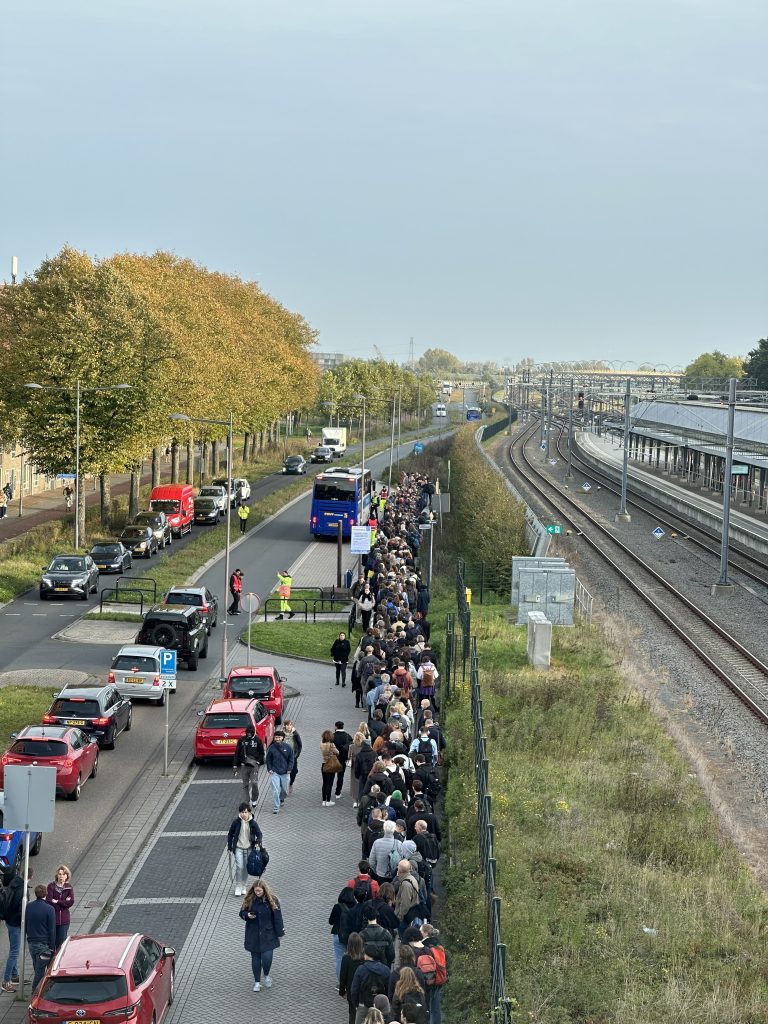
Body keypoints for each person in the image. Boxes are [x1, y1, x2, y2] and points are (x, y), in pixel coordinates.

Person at [240, 879, 284, 992]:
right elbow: (242, 912)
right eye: (256, 891)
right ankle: (257, 982)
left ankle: (266, 974)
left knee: (267, 958)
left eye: (259, 891)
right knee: (255, 958)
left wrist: (279, 933)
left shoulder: (272, 900)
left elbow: (277, 917)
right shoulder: (249, 900)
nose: (257, 893)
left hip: (268, 934)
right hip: (253, 934)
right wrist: (247, 915)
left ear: (264, 890)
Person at [227, 803, 263, 897]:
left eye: (245, 812)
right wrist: (230, 847)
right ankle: (238, 886)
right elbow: (230, 834)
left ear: (249, 812)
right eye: (242, 812)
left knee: (246, 868)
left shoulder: (253, 823)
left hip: (249, 849)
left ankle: (244, 885)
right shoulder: (236, 822)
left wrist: (258, 841)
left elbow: (259, 834)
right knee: (239, 867)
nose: (243, 814)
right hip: (238, 848)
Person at [350, 942, 392, 1023]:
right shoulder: (385, 970)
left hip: (364, 1004)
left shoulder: (361, 969)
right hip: (380, 1006)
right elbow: (389, 989)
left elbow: (354, 990)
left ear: (366, 954)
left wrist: (356, 1004)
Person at [1, 868, 29, 992]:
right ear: (30, 877)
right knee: (14, 952)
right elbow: (21, 910)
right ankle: (6, 981)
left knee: (14, 949)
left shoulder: (14, 882)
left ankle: (14, 975)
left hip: (9, 920)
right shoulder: (22, 890)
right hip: (16, 923)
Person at [25, 885, 55, 992]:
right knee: (39, 973)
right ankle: (35, 993)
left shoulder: (28, 907)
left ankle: (42, 990)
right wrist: (52, 947)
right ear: (46, 894)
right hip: (44, 946)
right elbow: (51, 930)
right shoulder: (50, 909)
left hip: (32, 944)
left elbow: (26, 923)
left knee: (37, 968)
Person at [328, 886, 357, 979]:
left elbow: (330, 921)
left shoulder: (337, 907)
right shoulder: (355, 907)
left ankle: (341, 983)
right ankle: (351, 980)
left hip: (338, 935)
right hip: (352, 936)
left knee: (339, 959)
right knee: (353, 958)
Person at [233, 726, 265, 806]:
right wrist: (235, 766)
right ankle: (246, 802)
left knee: (254, 783)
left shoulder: (257, 740)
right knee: (245, 784)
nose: (249, 734)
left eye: (251, 732)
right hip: (244, 766)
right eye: (248, 732)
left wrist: (258, 762)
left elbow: (262, 753)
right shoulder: (242, 740)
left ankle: (254, 799)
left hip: (254, 766)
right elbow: (236, 753)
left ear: (253, 732)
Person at [45, 865, 75, 949]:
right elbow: (49, 901)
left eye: (63, 874)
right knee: (51, 943)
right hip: (53, 920)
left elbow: (71, 902)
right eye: (60, 874)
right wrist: (63, 904)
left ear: (67, 876)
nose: (61, 876)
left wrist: (57, 901)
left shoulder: (69, 888)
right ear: (57, 875)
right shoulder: (51, 886)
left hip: (64, 921)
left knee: (61, 944)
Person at [265, 729, 294, 814]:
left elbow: (291, 759)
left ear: (283, 738)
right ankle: (276, 807)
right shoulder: (271, 748)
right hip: (275, 772)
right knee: (275, 790)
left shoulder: (288, 747)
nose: (277, 739)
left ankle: (282, 798)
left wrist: (289, 769)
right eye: (276, 737)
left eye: (279, 737)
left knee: (284, 790)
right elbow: (268, 759)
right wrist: (269, 769)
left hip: (285, 772)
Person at [339, 931, 365, 1024]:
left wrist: (342, 991)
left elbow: (342, 977)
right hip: (363, 990)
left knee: (352, 1014)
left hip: (351, 991)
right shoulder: (364, 957)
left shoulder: (346, 958)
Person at [332, 721, 354, 799]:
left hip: (333, 759)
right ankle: (338, 792)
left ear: (336, 727)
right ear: (343, 726)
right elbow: (352, 744)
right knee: (340, 776)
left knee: (331, 776)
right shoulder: (347, 736)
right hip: (343, 759)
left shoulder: (333, 736)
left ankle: (328, 791)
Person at [320, 729, 341, 806]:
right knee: (330, 783)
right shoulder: (332, 745)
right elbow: (337, 752)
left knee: (324, 783)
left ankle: (323, 800)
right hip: (331, 765)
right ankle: (328, 800)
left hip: (324, 764)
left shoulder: (321, 744)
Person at [283, 719, 302, 794]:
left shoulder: (295, 733)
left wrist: (297, 755)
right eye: (287, 725)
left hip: (293, 756)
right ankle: (284, 787)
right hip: (283, 756)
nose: (289, 726)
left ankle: (291, 783)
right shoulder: (281, 733)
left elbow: (300, 745)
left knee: (294, 772)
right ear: (285, 726)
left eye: (290, 725)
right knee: (284, 772)